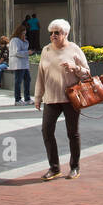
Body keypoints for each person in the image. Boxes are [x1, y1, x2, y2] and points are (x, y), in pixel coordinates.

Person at [35, 19, 90, 179]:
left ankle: (75, 167)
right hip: (51, 99)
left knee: (72, 133)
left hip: (71, 98)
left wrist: (75, 68)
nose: (53, 35)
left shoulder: (74, 49)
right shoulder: (46, 50)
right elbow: (40, 75)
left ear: (65, 34)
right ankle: (54, 167)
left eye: (56, 33)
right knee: (46, 131)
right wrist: (38, 97)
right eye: (51, 33)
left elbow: (87, 72)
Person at [9, 25, 31, 105]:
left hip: (24, 64)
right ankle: (17, 99)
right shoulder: (15, 40)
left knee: (27, 79)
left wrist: (25, 41)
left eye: (25, 34)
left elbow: (24, 48)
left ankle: (27, 98)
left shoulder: (23, 41)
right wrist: (27, 53)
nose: (24, 35)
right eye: (23, 34)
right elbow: (16, 52)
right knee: (18, 82)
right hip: (18, 64)